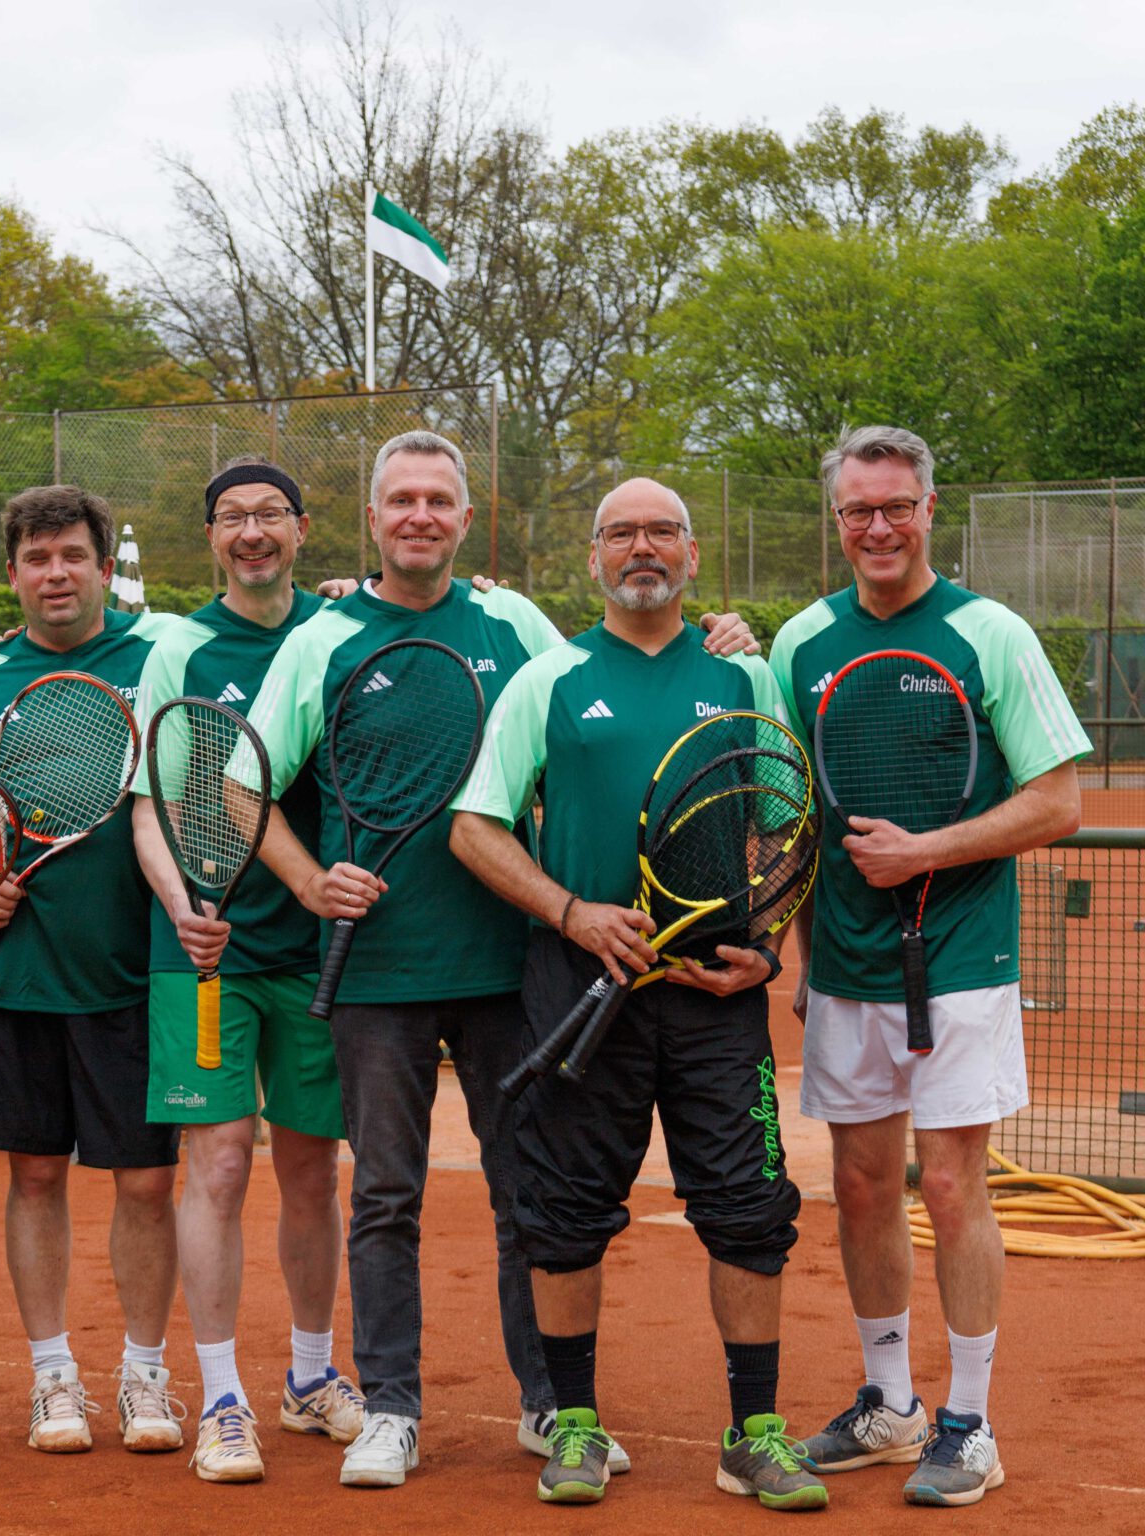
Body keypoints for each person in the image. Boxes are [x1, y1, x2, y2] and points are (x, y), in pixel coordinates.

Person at [245, 432, 758, 1488]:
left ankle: (547, 1404)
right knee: (385, 1193)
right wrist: (307, 883)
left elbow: (608, 665)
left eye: (439, 499)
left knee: (528, 1189)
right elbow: (244, 786)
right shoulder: (321, 637)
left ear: (466, 519)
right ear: (374, 518)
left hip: (511, 971)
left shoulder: (515, 625)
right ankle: (391, 1406)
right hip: (377, 975)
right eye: (402, 501)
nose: (420, 516)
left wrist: (717, 633)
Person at [449, 478, 827, 1510]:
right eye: (622, 533)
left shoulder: (745, 677)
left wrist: (767, 941)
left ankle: (755, 1433)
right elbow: (475, 826)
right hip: (582, 986)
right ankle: (573, 1423)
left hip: (716, 993)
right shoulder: (550, 680)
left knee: (749, 1212)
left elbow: (791, 826)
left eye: (662, 531)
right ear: (594, 559)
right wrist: (572, 913)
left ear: (693, 556)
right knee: (563, 1215)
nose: (643, 548)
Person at [769, 426, 1087, 1508]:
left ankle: (971, 1422)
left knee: (949, 1186)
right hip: (848, 967)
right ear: (836, 519)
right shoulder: (799, 643)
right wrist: (806, 958)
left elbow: (1059, 801)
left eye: (896, 506)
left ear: (929, 509)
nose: (878, 527)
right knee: (859, 1186)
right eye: (859, 510)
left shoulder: (989, 633)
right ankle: (891, 1403)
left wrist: (928, 852)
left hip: (961, 959)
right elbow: (796, 812)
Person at [0, 486, 182, 1457]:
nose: (55, 574)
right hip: (18, 981)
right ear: (12, 572)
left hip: (136, 977)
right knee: (33, 1176)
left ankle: (146, 1377)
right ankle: (52, 1379)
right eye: (36, 559)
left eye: (72, 555)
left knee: (147, 1189)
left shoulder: (161, 653)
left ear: (101, 562)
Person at [128, 457, 363, 1482]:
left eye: (271, 514)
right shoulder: (176, 647)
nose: (254, 531)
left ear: (304, 530)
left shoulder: (347, 633)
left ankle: (311, 1377)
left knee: (313, 1170)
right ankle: (222, 1395)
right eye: (233, 517)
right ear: (212, 537)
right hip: (206, 958)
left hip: (324, 954)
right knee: (217, 1166)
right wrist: (184, 908)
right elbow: (149, 805)